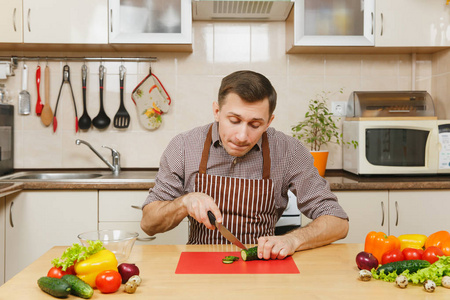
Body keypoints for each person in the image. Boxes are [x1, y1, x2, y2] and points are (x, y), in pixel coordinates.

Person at [141, 70, 349, 260]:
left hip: (263, 265)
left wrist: (292, 240)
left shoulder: (289, 151)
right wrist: (183, 202)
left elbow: (338, 221)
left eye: (255, 125)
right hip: (199, 266)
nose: (242, 136)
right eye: (234, 120)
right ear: (216, 111)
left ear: (269, 122)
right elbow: (148, 224)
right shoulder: (184, 147)